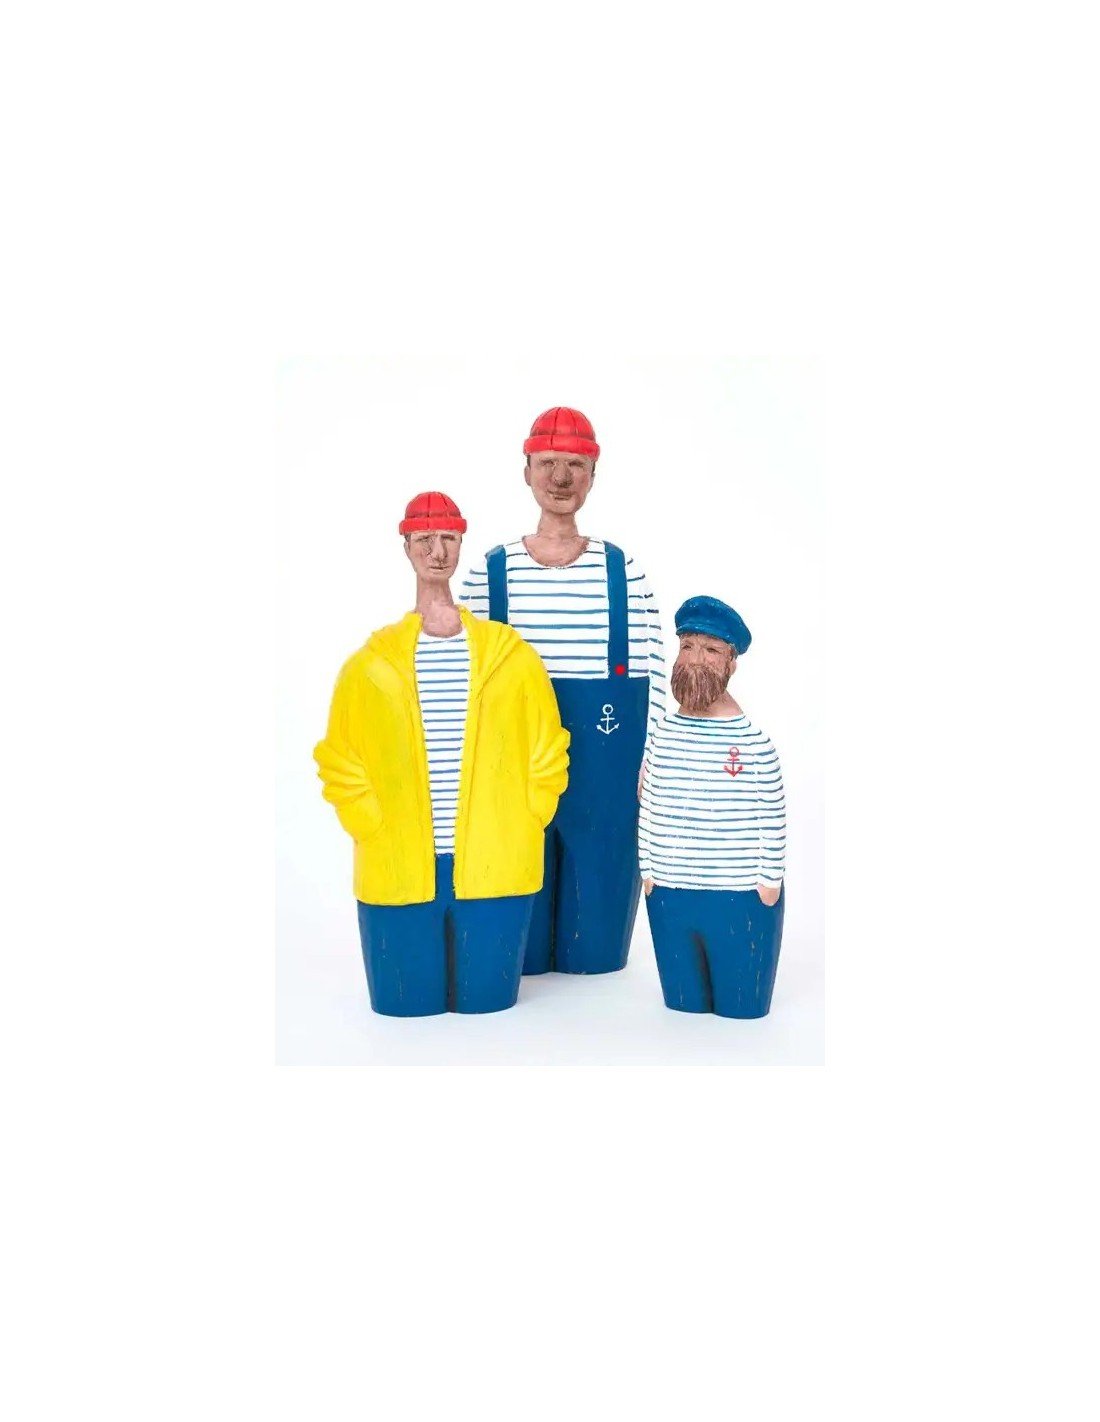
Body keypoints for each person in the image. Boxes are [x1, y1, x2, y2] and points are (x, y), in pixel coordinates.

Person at [314, 491, 570, 1016]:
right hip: (397, 866)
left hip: (499, 866)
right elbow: (339, 757)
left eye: (448, 539)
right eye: (424, 540)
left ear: (461, 543)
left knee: (488, 1001)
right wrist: (368, 822)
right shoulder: (368, 666)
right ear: (406, 546)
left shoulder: (513, 658)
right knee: (405, 1001)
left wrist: (530, 814)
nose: (437, 552)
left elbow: (549, 747)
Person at [460, 406, 665, 975]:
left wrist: (652, 759)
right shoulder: (489, 573)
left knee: (596, 927)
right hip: (512, 761)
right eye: (548, 463)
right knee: (515, 897)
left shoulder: (623, 572)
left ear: (594, 475)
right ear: (525, 470)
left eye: (575, 464)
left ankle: (592, 963)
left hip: (608, 766)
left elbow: (654, 673)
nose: (560, 478)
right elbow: (465, 675)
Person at [639, 596, 786, 1018]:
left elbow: (771, 817)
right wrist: (648, 869)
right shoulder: (662, 735)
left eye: (711, 649)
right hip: (670, 892)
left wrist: (768, 880)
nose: (696, 659)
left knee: (741, 1001)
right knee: (683, 1002)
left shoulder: (753, 743)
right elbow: (648, 806)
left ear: (731, 663)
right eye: (687, 646)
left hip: (740, 895)